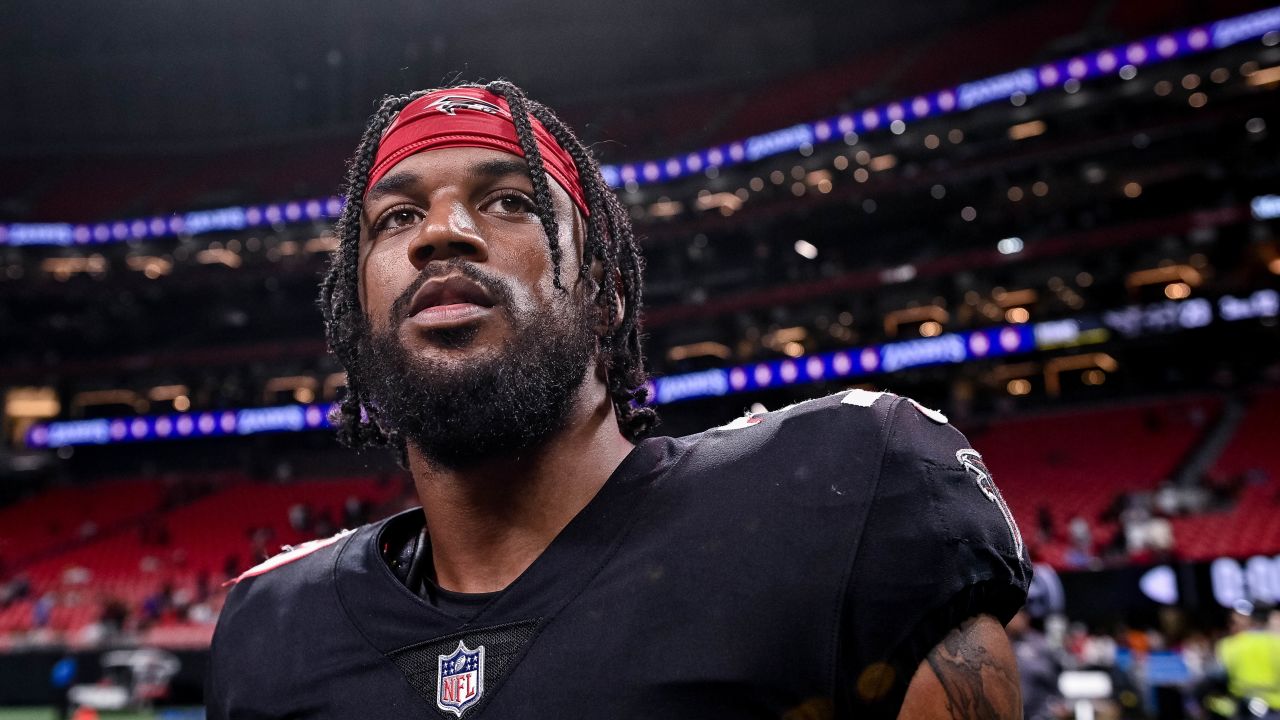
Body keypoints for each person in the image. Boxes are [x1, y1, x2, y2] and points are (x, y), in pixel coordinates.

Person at [207, 81, 1031, 719]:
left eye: (510, 201)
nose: (441, 231)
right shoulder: (272, 627)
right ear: (356, 313)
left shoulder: (848, 491)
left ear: (604, 294)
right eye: (396, 216)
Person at [1217, 604, 1280, 718]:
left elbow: (1216, 675)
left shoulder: (1231, 645)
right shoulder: (1277, 643)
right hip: (1274, 710)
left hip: (1244, 708)